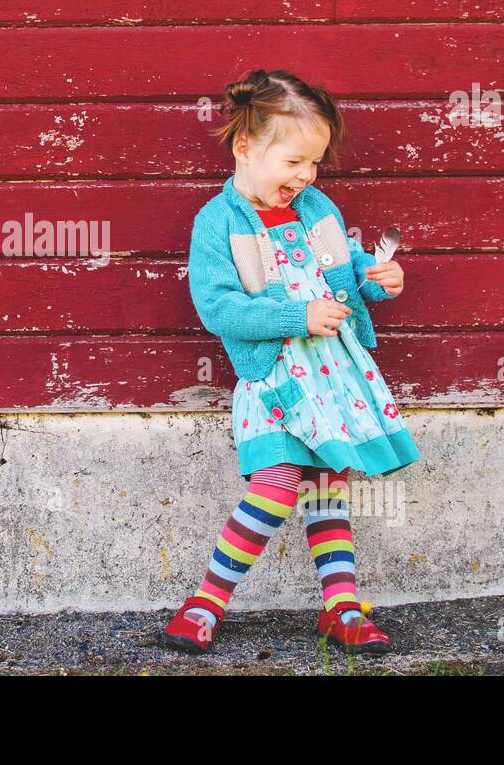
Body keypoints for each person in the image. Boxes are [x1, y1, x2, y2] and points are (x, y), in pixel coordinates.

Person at [161, 68, 419, 656]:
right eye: (294, 161)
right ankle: (205, 601)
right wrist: (296, 318)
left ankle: (343, 608)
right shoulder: (219, 222)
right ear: (245, 146)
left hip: (334, 376)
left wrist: (377, 280)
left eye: (315, 163)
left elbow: (345, 270)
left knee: (327, 488)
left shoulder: (315, 207)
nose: (305, 176)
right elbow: (219, 308)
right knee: (277, 486)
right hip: (275, 378)